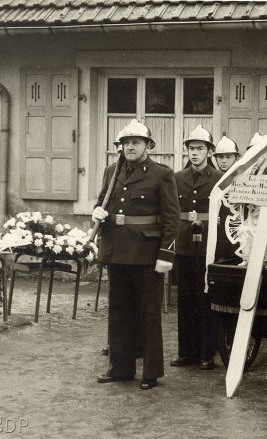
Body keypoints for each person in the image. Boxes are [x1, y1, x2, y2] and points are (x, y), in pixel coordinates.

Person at [93, 119, 180, 390]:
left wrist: (166, 254)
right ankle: (120, 368)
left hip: (146, 254)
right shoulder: (111, 171)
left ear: (147, 146)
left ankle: (150, 373)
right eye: (125, 143)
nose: (129, 147)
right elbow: (103, 202)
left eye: (135, 142)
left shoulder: (161, 174)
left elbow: (171, 217)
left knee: (148, 314)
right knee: (119, 313)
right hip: (117, 251)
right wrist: (96, 211)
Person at [170, 125, 223, 370]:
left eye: (200, 148)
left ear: (209, 151)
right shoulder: (177, 177)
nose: (194, 153)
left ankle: (206, 353)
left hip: (208, 244)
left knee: (206, 299)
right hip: (184, 244)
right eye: (191, 148)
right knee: (185, 299)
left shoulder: (219, 179)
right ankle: (185, 352)